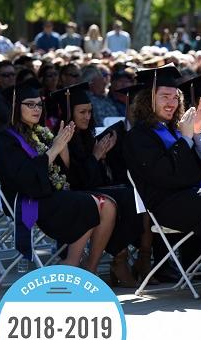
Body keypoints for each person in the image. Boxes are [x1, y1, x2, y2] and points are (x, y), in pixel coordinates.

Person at [124, 64, 201, 304]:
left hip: (192, 196)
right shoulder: (139, 136)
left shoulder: (173, 129)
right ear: (146, 100)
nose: (171, 103)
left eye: (175, 97)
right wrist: (185, 138)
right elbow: (166, 176)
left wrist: (198, 133)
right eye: (164, 97)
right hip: (166, 205)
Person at [0, 79, 116, 274]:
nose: (36, 109)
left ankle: (90, 268)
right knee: (88, 203)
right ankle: (71, 263)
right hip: (26, 199)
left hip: (49, 193)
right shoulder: (5, 141)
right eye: (30, 104)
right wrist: (54, 150)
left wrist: (63, 151)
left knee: (108, 206)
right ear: (16, 107)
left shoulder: (42, 135)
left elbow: (61, 175)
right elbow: (25, 179)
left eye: (39, 104)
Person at [50, 82, 150, 287]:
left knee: (133, 195)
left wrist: (99, 158)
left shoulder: (86, 136)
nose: (87, 116)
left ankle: (122, 258)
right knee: (124, 197)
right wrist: (96, 157)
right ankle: (117, 258)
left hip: (88, 190)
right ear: (69, 114)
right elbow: (75, 180)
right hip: (70, 196)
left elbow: (94, 179)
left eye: (90, 111)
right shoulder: (61, 139)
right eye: (82, 112)